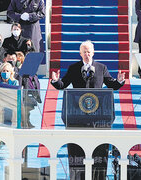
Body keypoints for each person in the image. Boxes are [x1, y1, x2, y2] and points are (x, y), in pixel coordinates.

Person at [51, 40, 125, 180]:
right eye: (84, 52)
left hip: (98, 117)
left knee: (99, 151)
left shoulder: (101, 67)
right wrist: (55, 81)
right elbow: (63, 84)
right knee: (77, 151)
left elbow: (111, 84)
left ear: (93, 53)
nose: (87, 54)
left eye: (89, 51)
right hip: (77, 116)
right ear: (80, 53)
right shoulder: (74, 68)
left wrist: (119, 81)